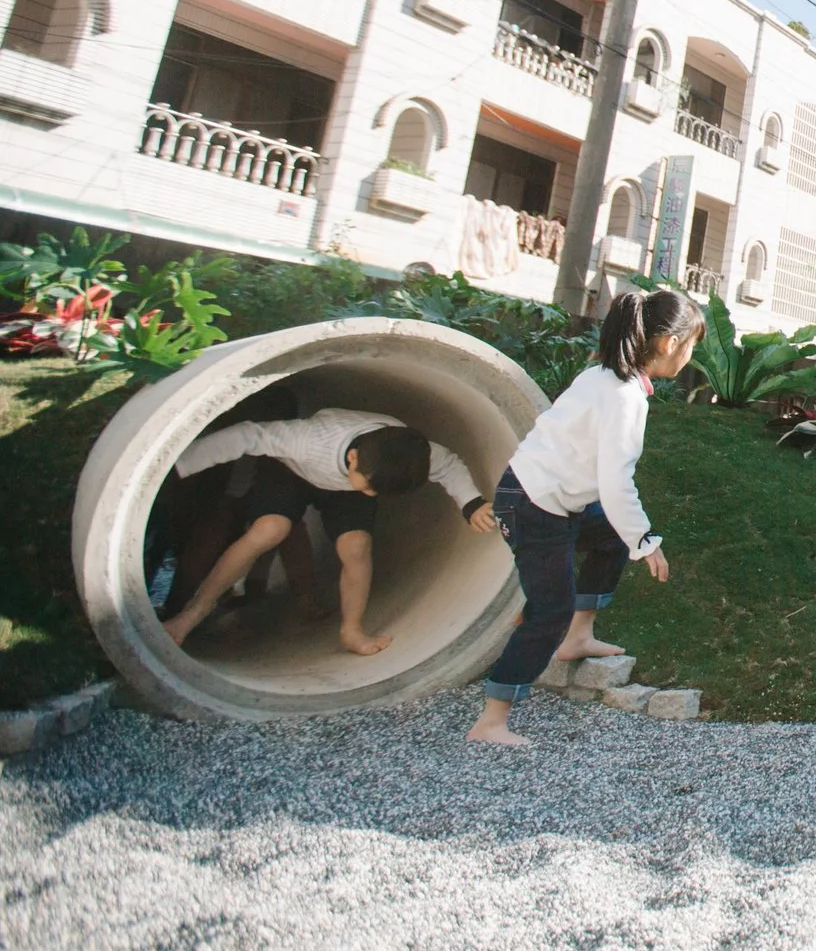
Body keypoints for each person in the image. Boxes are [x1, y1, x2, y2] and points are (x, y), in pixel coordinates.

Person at [468, 288, 700, 747]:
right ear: (670, 344)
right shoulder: (623, 397)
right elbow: (615, 482)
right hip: (534, 505)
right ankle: (491, 721)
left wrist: (629, 536)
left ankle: (580, 636)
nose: (690, 355)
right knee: (547, 611)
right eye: (691, 345)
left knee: (609, 538)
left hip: (549, 497)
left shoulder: (604, 376)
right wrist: (646, 541)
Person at [160, 410, 496, 655]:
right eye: (370, 490)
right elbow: (249, 434)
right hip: (293, 472)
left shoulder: (408, 452)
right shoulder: (307, 440)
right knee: (269, 529)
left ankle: (352, 630)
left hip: (346, 485)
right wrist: (178, 466)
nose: (373, 497)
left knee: (357, 546)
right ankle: (192, 614)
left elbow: (449, 464)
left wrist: (472, 504)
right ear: (352, 458)